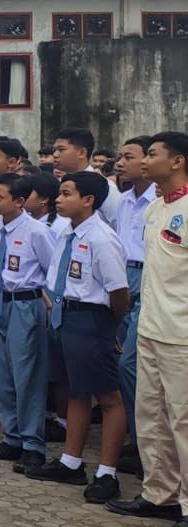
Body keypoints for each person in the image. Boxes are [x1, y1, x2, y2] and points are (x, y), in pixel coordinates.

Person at [25, 171, 130, 504]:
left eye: (66, 193)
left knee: (109, 398)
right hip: (64, 316)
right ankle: (71, 462)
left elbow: (119, 292)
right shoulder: (67, 233)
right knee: (75, 391)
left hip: (91, 319)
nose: (58, 198)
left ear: (88, 200)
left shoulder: (101, 237)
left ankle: (107, 473)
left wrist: (110, 328)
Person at [108, 132, 188, 527]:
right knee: (152, 414)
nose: (144, 161)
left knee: (184, 420)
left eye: (152, 154)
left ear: (176, 161)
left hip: (182, 334)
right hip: (151, 325)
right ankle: (160, 494)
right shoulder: (157, 208)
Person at [0, 174, 56, 473]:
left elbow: (52, 272)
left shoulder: (37, 232)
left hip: (26, 303)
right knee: (2, 374)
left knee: (27, 375)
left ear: (20, 202)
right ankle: (11, 438)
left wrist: (48, 308)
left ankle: (33, 444)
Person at [111, 136, 156, 472]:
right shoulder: (124, 201)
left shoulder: (162, 201)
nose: (119, 163)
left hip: (150, 276)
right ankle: (139, 441)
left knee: (134, 365)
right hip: (124, 276)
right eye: (119, 156)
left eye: (129, 157)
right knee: (124, 363)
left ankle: (151, 447)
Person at [51, 127, 121, 227]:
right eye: (54, 150)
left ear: (82, 152)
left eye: (61, 149)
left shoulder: (104, 187)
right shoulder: (57, 183)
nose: (55, 155)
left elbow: (118, 224)